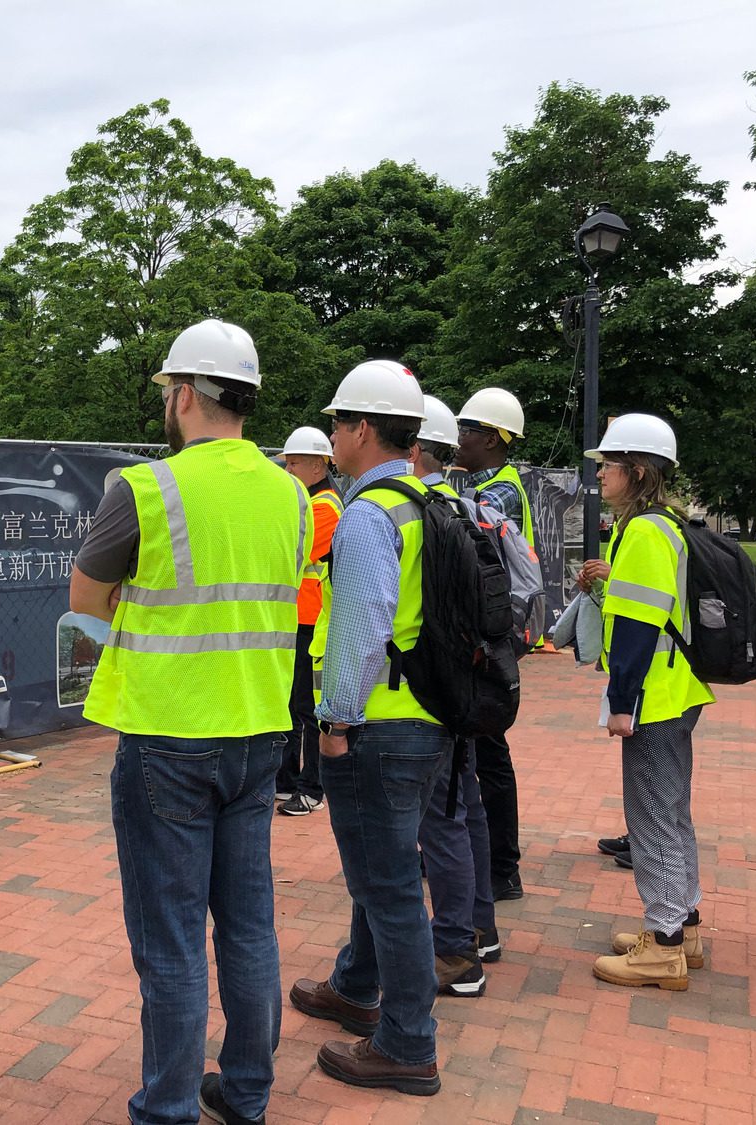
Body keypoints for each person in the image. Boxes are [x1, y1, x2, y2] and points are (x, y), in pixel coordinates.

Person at [71, 319, 308, 1125]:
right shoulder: (295, 495)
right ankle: (246, 1093)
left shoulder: (145, 489)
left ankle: (167, 1107)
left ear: (185, 394)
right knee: (248, 927)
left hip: (168, 738)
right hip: (259, 735)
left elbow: (85, 603)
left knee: (171, 941)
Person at [292, 359, 448, 1098]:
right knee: (381, 870)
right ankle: (356, 984)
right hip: (424, 719)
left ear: (360, 429)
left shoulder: (366, 513)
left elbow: (358, 628)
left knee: (386, 884)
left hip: (376, 725)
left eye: (335, 423)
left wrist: (333, 722)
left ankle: (407, 1042)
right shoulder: (430, 500)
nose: (329, 435)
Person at [583, 414, 713, 991]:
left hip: (653, 693)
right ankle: (682, 925)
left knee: (652, 817)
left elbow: (636, 626)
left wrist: (621, 702)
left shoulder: (642, 531)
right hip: (677, 685)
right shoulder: (665, 525)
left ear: (636, 471)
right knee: (672, 811)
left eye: (608, 465)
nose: (601, 474)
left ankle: (662, 944)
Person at [410, 396, 498, 996]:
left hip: (425, 695)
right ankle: (478, 931)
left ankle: (455, 952)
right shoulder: (471, 510)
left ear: (413, 449)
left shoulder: (416, 514)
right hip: (469, 688)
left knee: (440, 822)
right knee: (463, 811)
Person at [453, 386, 532, 901]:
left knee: (489, 752)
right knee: (473, 748)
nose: (459, 438)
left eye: (467, 430)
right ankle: (479, 855)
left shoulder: (496, 491)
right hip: (481, 630)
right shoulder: (489, 482)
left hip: (487, 634)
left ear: (494, 439)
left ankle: (502, 866)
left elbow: (459, 527)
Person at [275, 426, 343, 817]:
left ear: (319, 465)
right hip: (298, 617)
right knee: (292, 704)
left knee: (306, 707)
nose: (288, 468)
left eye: (295, 462)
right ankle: (286, 780)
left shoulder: (325, 507)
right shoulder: (309, 501)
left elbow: (291, 554)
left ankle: (312, 788)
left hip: (311, 621)